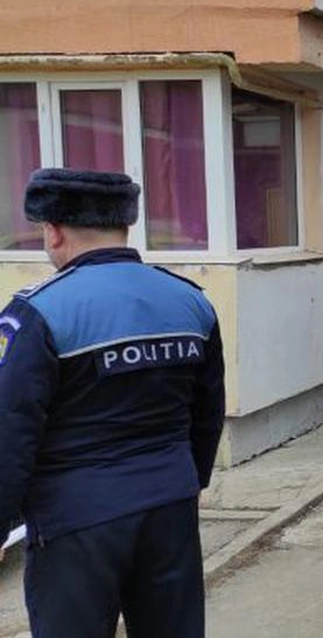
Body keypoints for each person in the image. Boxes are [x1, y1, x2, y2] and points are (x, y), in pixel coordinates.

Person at [0, 168, 226, 637]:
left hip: (76, 519)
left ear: (54, 231)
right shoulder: (191, 302)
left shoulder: (38, 313)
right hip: (170, 504)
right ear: (124, 226)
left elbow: (10, 427)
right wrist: (190, 482)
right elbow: (207, 412)